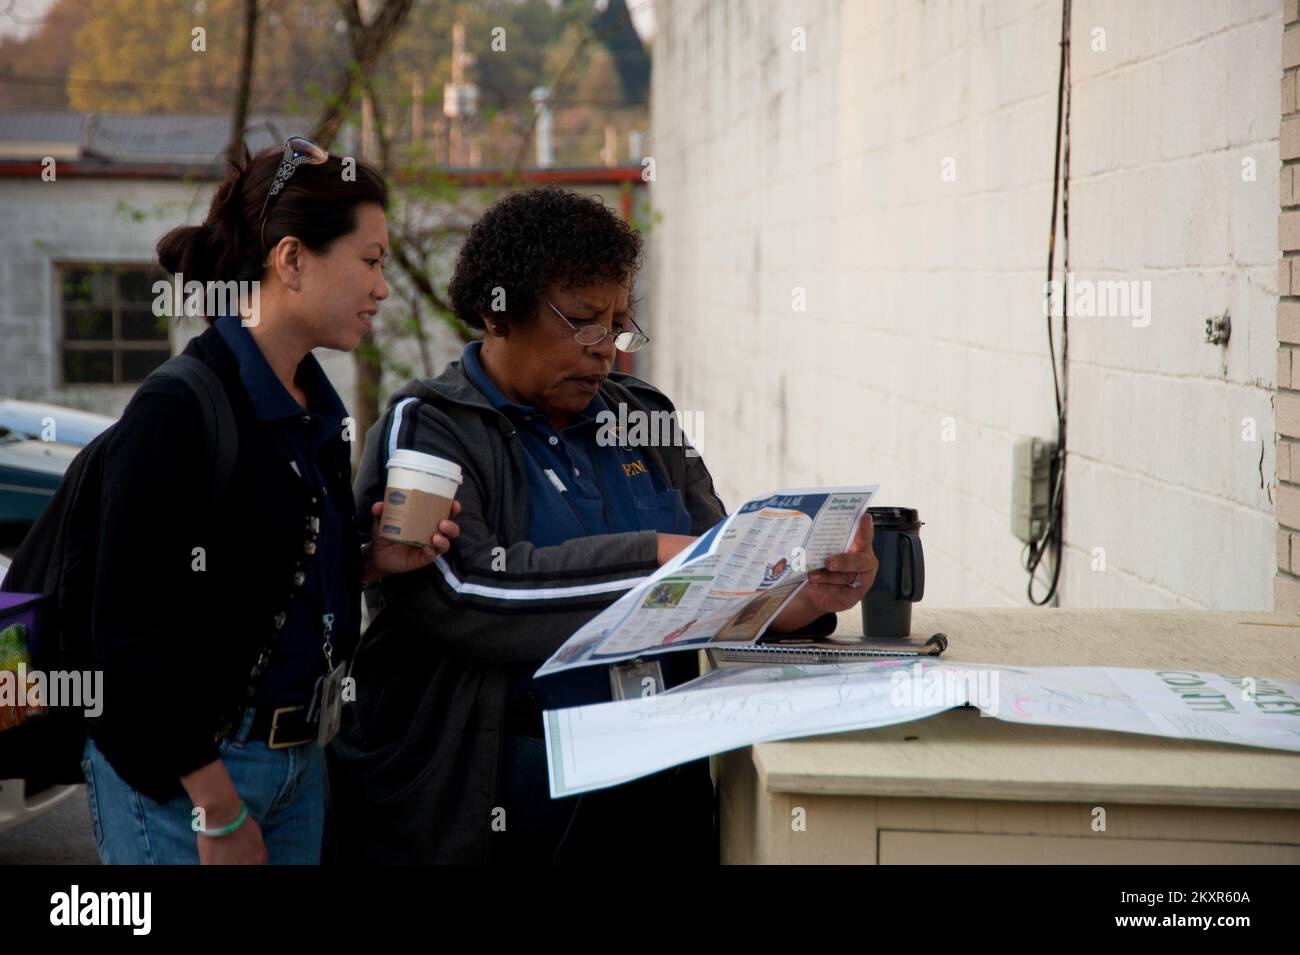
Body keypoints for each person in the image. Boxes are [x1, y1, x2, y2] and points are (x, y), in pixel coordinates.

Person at [325, 186, 878, 864]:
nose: (606, 351)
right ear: (498, 315)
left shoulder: (641, 417)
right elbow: (465, 594)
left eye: (618, 323)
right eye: (583, 322)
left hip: (661, 776)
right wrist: (658, 559)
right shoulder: (432, 428)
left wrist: (806, 591)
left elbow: (726, 578)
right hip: (502, 790)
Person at [81, 137, 461, 865]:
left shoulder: (314, 410)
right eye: (371, 262)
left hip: (300, 766)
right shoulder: (180, 410)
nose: (384, 288)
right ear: (291, 259)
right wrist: (217, 806)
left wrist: (366, 562)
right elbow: (127, 636)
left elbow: (260, 577)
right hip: (190, 781)